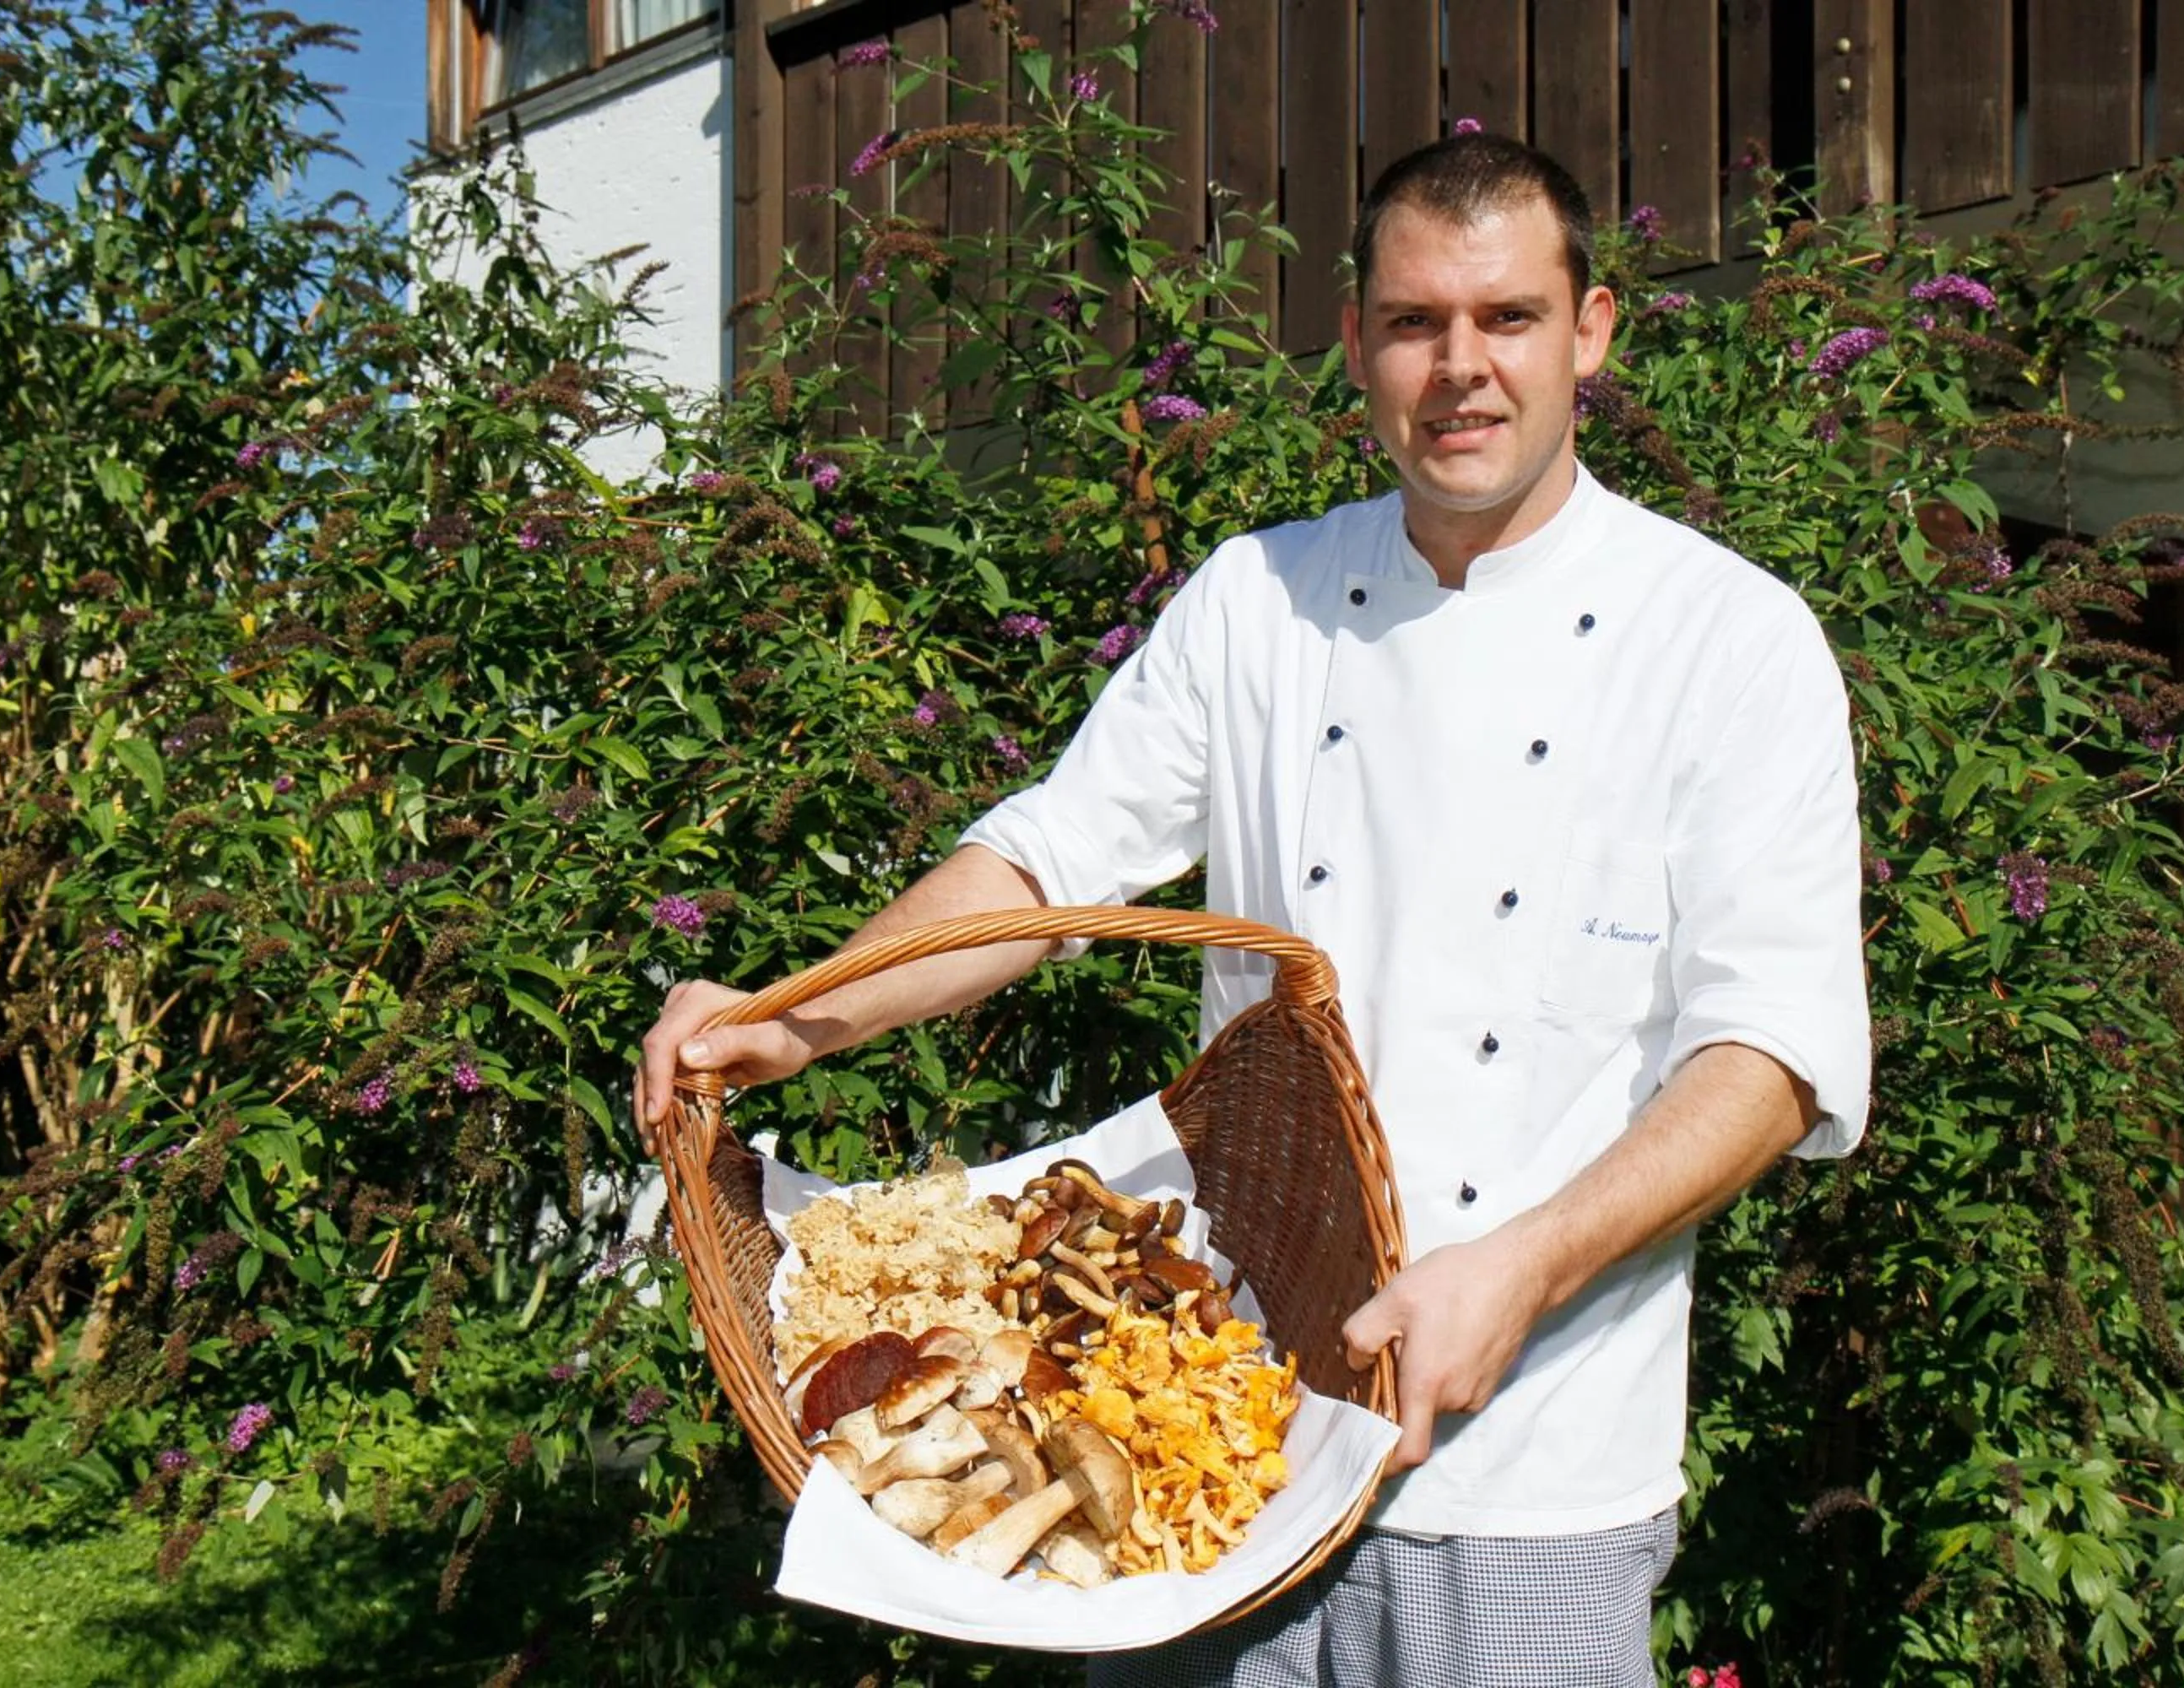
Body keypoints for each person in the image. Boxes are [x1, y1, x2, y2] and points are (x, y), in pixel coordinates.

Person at [641, 133, 1869, 1687]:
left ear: (1593, 332)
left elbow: (1771, 1054)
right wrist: (788, 1017)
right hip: (1224, 1443)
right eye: (1417, 322)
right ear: (1357, 344)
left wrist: (1523, 1270)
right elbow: (1050, 863)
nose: (1461, 369)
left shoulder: (1731, 641)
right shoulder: (1259, 598)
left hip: (1539, 1465)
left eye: (1508, 319)